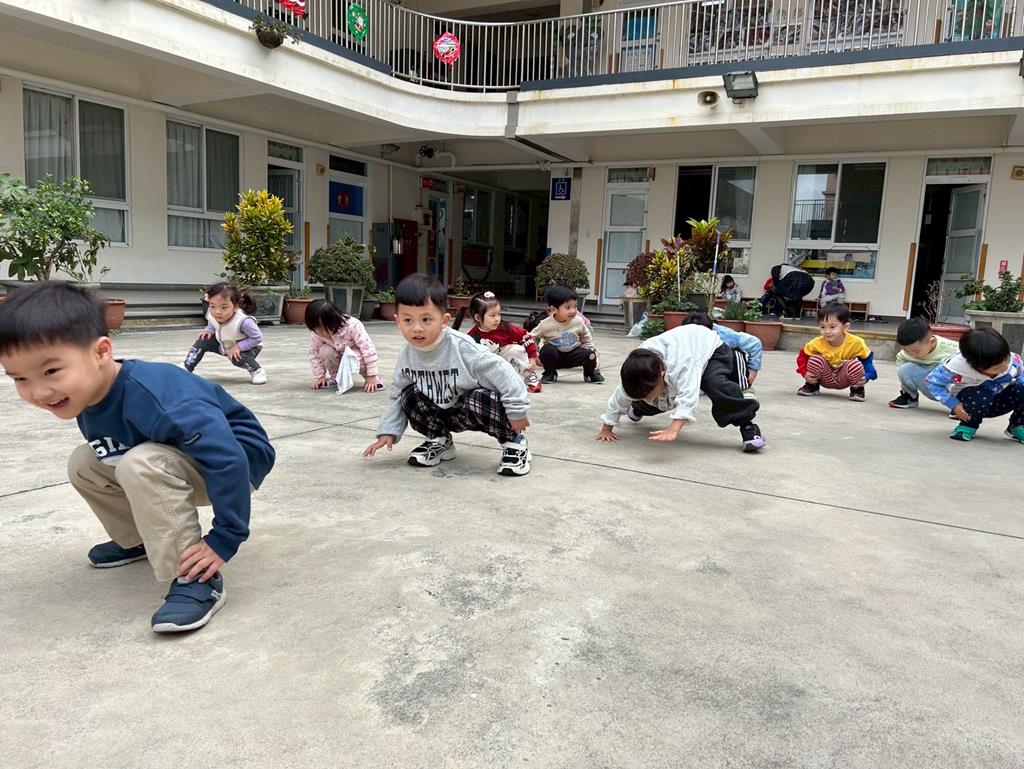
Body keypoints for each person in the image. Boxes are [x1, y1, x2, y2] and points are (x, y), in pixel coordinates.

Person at [0, 283, 275, 633]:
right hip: (177, 456)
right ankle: (139, 541)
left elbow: (228, 459)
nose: (38, 392)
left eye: (51, 371)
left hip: (238, 462)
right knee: (84, 464)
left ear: (101, 352)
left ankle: (196, 577)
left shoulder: (158, 396)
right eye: (20, 378)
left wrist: (225, 538)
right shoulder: (86, 393)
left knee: (141, 463)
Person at [363, 273, 532, 476]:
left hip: (473, 409)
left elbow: (503, 372)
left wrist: (517, 411)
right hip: (442, 411)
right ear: (398, 321)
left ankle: (514, 442)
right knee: (409, 395)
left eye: (426, 319)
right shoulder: (407, 355)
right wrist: (389, 430)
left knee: (482, 397)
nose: (417, 328)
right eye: (408, 320)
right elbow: (397, 396)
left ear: (444, 320)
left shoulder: (463, 347)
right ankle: (440, 440)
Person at [596, 324, 766, 452]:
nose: (647, 396)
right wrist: (606, 429)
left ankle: (748, 426)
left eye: (646, 395)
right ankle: (639, 407)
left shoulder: (681, 366)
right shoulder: (637, 370)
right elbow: (619, 397)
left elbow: (688, 396)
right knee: (656, 396)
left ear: (662, 373)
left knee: (715, 384)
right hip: (679, 353)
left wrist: (674, 428)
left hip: (711, 349)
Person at [925, 327, 1024, 442]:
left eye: (1006, 360)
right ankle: (968, 425)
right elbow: (932, 382)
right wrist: (953, 404)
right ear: (975, 367)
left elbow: (1021, 377)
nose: (1005, 367)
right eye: (997, 368)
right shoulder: (957, 368)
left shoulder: (1013, 361)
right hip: (971, 403)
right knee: (981, 393)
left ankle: (1017, 425)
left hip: (1000, 401)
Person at [453, 291, 543, 393]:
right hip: (490, 367)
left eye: (498, 314)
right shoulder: (472, 337)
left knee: (516, 350)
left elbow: (525, 336)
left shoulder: (505, 327)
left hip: (508, 361)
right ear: (478, 317)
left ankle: (529, 375)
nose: (497, 319)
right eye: (492, 315)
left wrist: (532, 358)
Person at [184, 282, 267, 385]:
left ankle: (257, 370)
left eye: (224, 307)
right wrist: (209, 330)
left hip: (249, 347)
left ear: (235, 307)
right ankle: (186, 368)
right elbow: (213, 322)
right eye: (212, 306)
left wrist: (239, 347)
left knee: (237, 358)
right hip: (224, 343)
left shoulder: (244, 321)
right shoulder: (211, 313)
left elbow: (257, 338)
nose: (217, 312)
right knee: (202, 340)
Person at [796, 301, 876, 401]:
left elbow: (867, 360)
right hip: (824, 378)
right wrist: (804, 373)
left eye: (832, 327)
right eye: (822, 327)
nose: (827, 331)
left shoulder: (856, 342)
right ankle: (812, 386)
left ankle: (857, 389)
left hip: (845, 379)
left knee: (855, 364)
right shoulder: (817, 343)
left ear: (845, 327)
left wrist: (867, 376)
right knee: (815, 359)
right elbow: (802, 357)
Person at [528, 285, 604, 385]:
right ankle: (550, 373)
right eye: (568, 307)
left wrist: (592, 353)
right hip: (555, 357)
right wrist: (534, 354)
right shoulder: (545, 324)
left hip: (573, 354)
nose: (573, 311)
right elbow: (532, 337)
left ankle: (589, 373)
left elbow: (586, 336)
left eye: (575, 306)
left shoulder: (578, 321)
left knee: (590, 354)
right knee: (547, 350)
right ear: (554, 309)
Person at [304, 299, 383, 392]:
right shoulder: (316, 334)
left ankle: (373, 379)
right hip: (337, 356)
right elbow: (314, 354)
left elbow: (368, 349)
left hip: (355, 356)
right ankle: (336, 378)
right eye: (318, 330)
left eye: (326, 329)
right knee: (324, 351)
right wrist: (320, 376)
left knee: (355, 356)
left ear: (335, 320)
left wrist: (371, 374)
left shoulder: (352, 325)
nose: (323, 333)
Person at [888, 317, 960, 409]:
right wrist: (905, 386)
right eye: (906, 350)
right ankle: (910, 397)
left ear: (931, 342)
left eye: (916, 351)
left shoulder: (954, 349)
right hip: (931, 387)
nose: (911, 355)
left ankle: (959, 404)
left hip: (953, 387)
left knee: (947, 362)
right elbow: (903, 368)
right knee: (904, 370)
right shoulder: (904, 355)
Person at [682, 312, 762, 393]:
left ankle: (743, 388)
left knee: (735, 354)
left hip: (726, 366)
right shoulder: (681, 336)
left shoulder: (725, 336)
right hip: (703, 366)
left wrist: (753, 369)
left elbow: (755, 343)